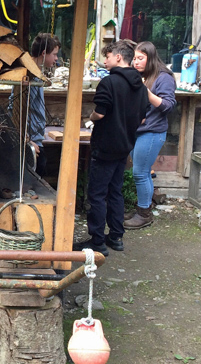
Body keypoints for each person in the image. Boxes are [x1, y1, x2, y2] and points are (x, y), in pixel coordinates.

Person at [74, 40, 149, 255]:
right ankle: (116, 237)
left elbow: (100, 113)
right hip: (125, 146)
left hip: (105, 146)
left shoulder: (109, 83)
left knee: (97, 194)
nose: (104, 60)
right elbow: (142, 120)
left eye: (107, 56)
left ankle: (97, 241)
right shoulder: (140, 86)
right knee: (115, 191)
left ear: (118, 57)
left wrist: (90, 118)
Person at [124, 41, 177, 230]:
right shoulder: (143, 75)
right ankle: (142, 208)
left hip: (153, 132)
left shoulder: (164, 78)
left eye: (140, 58)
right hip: (139, 130)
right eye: (134, 59)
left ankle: (144, 214)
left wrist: (146, 93)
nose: (135, 62)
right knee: (141, 172)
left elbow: (168, 106)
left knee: (140, 172)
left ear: (151, 58)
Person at [10, 33, 60, 178]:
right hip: (30, 142)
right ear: (44, 53)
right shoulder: (30, 76)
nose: (56, 58)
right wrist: (26, 139)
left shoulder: (35, 72)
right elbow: (15, 109)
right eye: (55, 54)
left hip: (35, 138)